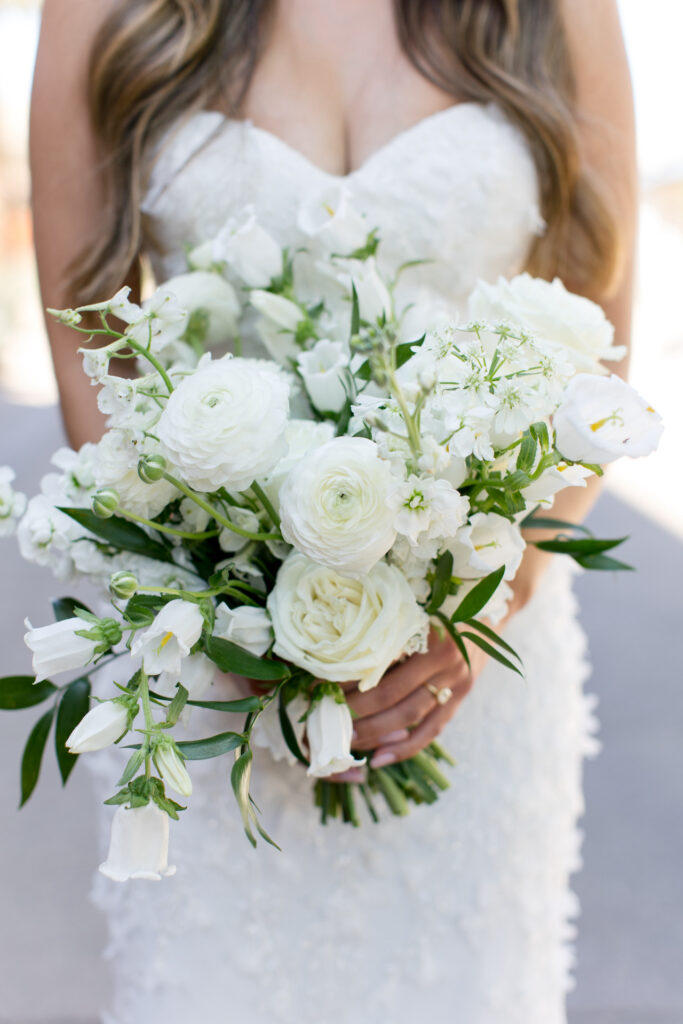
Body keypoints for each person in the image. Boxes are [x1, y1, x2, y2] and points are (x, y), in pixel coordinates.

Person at [30, 1, 636, 1021]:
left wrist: (494, 586)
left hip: (473, 679)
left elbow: (601, 364)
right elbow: (94, 359)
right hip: (211, 686)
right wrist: (221, 609)